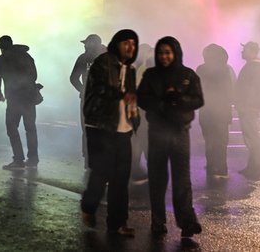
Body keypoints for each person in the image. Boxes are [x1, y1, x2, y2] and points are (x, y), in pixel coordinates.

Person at [137, 36, 204, 240]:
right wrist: (161, 103)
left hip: (180, 132)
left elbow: (198, 100)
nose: (164, 56)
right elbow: (142, 99)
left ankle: (187, 222)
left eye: (168, 52)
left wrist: (180, 99)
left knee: (182, 179)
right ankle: (158, 221)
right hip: (157, 132)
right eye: (161, 53)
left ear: (175, 53)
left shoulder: (188, 74)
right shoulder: (150, 75)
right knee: (157, 178)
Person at [80, 29, 139, 237]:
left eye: (133, 43)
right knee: (101, 172)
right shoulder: (103, 63)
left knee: (121, 179)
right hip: (101, 127)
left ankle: (117, 223)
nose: (130, 47)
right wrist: (122, 94)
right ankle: (89, 205)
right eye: (126, 43)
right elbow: (100, 90)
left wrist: (135, 118)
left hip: (123, 129)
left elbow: (132, 98)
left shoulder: (129, 69)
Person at [0, 35, 40, 169]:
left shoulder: (1, 60)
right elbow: (34, 75)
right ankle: (33, 159)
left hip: (14, 99)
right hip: (29, 97)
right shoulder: (26, 56)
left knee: (11, 127)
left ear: (1, 47)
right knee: (30, 128)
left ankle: (18, 160)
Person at [196, 44, 235, 178]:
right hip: (223, 112)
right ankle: (222, 168)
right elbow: (231, 91)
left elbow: (198, 89)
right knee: (222, 141)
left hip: (206, 111)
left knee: (210, 140)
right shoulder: (227, 69)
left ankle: (212, 167)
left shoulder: (201, 69)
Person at [69, 34, 105, 169]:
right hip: (104, 101)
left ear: (91, 43)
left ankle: (89, 160)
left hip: (88, 100)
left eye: (86, 43)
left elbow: (73, 78)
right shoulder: (108, 57)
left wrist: (82, 90)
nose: (84, 45)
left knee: (87, 129)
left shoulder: (83, 58)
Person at [236, 41, 260, 179]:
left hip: (249, 108)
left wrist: (249, 105)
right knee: (251, 137)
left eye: (245, 50)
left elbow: (255, 90)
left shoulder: (254, 67)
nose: (242, 52)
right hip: (249, 107)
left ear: (252, 51)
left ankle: (258, 169)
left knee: (252, 138)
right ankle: (252, 167)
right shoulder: (254, 66)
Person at [130, 43, 154, 184]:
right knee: (143, 141)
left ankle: (137, 170)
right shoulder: (141, 68)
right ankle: (138, 171)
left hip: (143, 112)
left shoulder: (140, 68)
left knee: (140, 141)